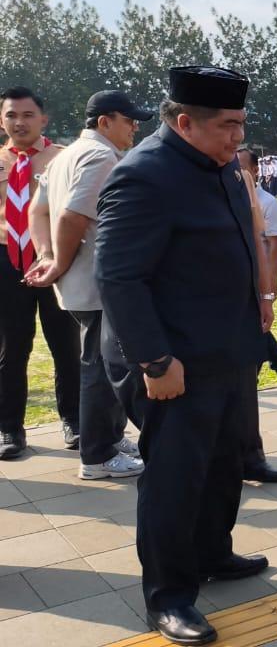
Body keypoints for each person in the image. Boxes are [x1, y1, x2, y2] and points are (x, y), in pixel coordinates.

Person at [96, 66, 271, 645]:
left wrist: (257, 305)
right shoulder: (144, 175)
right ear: (183, 121)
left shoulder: (216, 164)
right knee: (175, 478)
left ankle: (212, 553)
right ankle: (169, 597)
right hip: (171, 362)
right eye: (227, 126)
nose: (237, 138)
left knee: (225, 464)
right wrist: (154, 362)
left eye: (242, 125)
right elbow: (119, 279)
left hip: (225, 350)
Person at [24, 90, 151, 478]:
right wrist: (58, 260)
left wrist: (46, 256)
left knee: (102, 360)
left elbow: (37, 210)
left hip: (81, 278)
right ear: (104, 121)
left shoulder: (64, 156)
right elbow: (72, 216)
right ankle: (97, 455)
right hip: (96, 278)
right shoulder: (99, 156)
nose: (134, 128)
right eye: (128, 120)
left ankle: (109, 438)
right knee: (101, 366)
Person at [0, 87, 80, 459]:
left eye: (28, 115)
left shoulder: (63, 159)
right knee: (10, 350)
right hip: (5, 263)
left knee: (66, 346)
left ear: (43, 119)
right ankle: (9, 429)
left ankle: (75, 421)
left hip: (55, 261)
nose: (20, 122)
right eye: (12, 115)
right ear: (2, 120)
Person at [234, 148, 277, 484]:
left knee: (245, 380)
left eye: (243, 167)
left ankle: (250, 455)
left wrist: (267, 291)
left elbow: (272, 248)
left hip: (250, 296)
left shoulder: (266, 203)